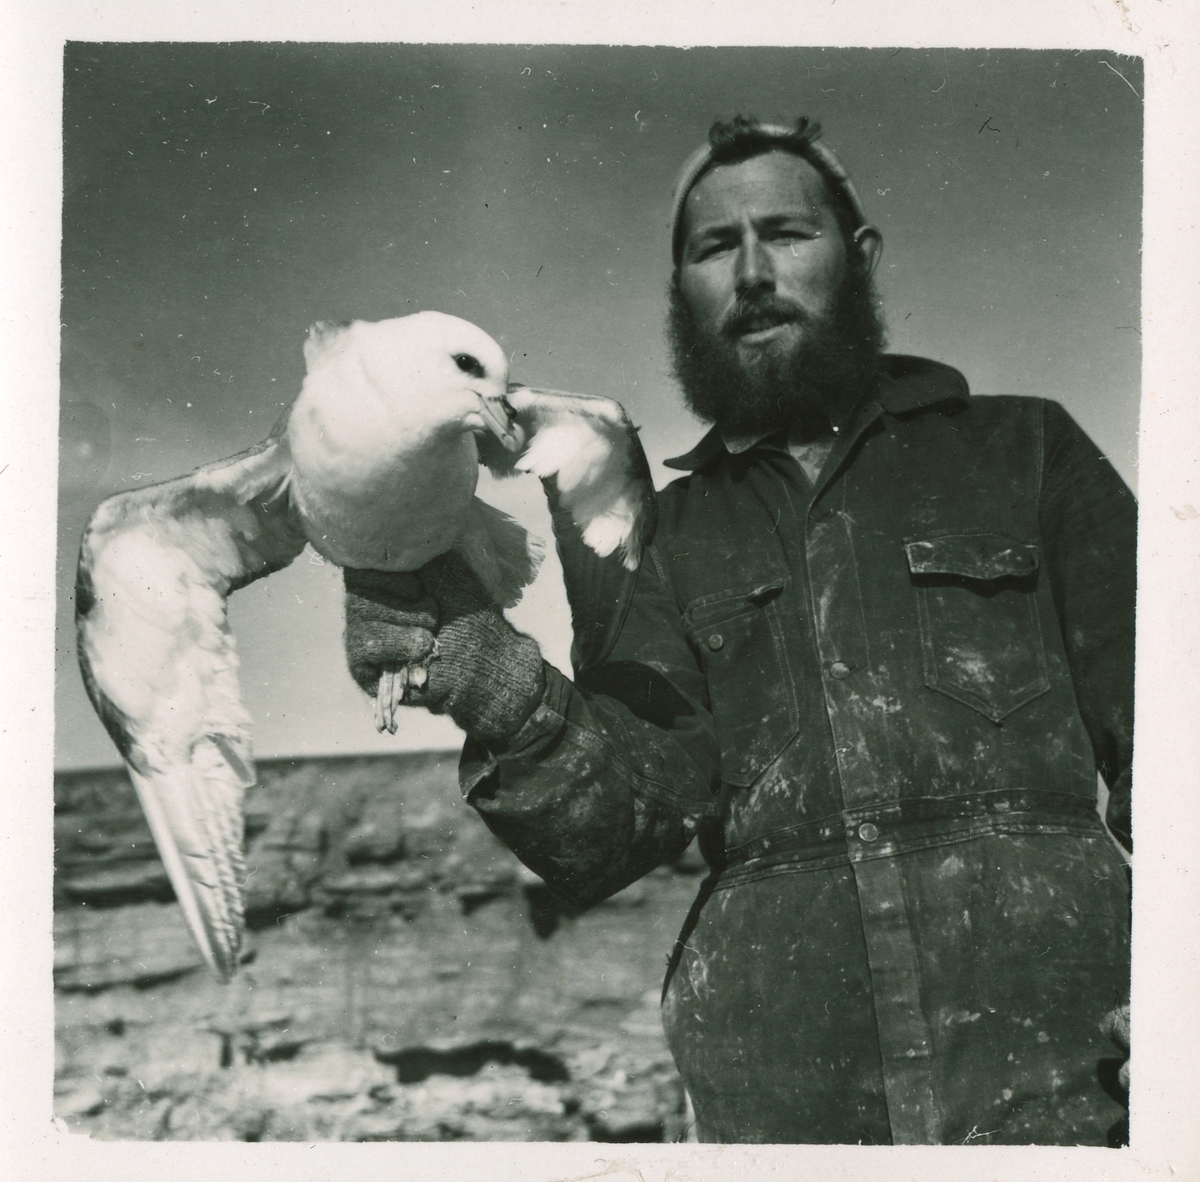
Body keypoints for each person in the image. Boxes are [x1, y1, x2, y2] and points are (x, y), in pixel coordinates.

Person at [342, 116, 1135, 1146]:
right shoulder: (659, 534)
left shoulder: (1027, 452)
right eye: (716, 249)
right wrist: (482, 673)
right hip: (791, 1116)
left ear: (860, 259)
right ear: (683, 297)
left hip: (1067, 1089)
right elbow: (617, 825)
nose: (753, 272)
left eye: (787, 234)